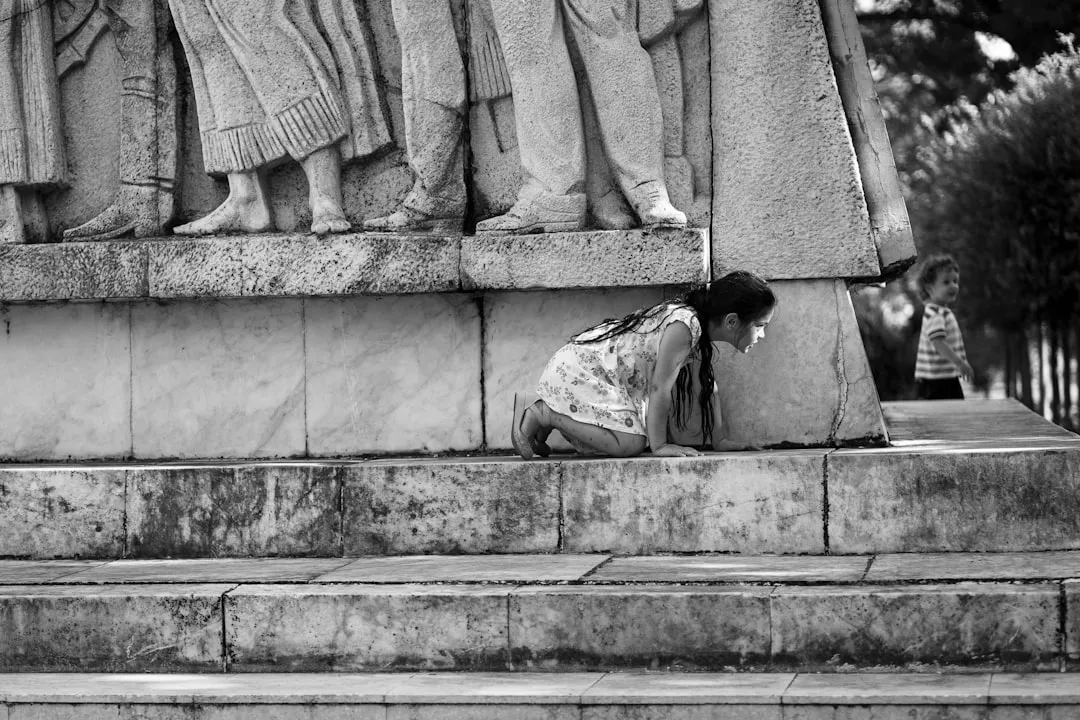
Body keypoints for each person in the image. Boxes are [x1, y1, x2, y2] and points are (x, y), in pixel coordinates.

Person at [512, 271, 776, 459]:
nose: (762, 336)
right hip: (585, 368)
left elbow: (707, 385)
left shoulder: (695, 330)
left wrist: (721, 440)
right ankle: (544, 413)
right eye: (760, 326)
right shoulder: (685, 325)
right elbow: (661, 388)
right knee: (631, 443)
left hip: (596, 372)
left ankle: (547, 416)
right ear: (732, 321)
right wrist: (659, 446)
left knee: (627, 439)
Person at [914, 253, 972, 400]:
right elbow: (938, 342)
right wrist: (960, 363)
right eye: (946, 282)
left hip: (942, 377)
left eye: (955, 281)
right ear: (929, 288)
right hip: (937, 382)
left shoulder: (939, 311)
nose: (953, 286)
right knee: (951, 415)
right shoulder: (936, 313)